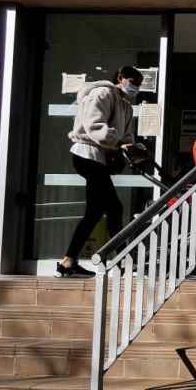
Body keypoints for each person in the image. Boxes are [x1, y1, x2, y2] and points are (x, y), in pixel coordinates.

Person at [56, 66, 142, 278]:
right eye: (132, 82)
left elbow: (127, 135)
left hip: (99, 158)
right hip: (86, 154)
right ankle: (121, 261)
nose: (135, 87)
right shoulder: (103, 93)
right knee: (114, 207)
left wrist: (132, 148)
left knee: (95, 212)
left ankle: (68, 261)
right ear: (120, 78)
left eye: (138, 85)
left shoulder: (126, 106)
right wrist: (115, 142)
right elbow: (94, 125)